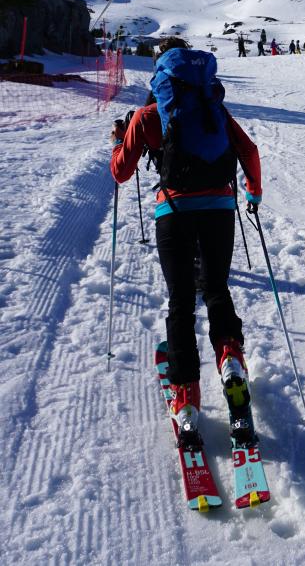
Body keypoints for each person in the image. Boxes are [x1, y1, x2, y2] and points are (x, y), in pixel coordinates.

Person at [110, 37, 262, 438]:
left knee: (180, 299)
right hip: (219, 208)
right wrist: (254, 192)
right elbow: (250, 151)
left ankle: (186, 398)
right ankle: (230, 358)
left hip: (173, 212)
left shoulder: (147, 115)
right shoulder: (215, 108)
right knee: (215, 288)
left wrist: (117, 141)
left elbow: (120, 173)